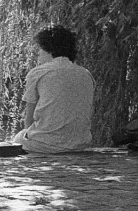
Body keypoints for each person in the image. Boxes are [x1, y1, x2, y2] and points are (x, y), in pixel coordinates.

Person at [12, 25, 95, 153]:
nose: (38, 54)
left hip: (44, 145)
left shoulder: (38, 73)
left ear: (49, 50)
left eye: (40, 50)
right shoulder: (86, 74)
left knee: (17, 138)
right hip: (80, 144)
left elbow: (28, 118)